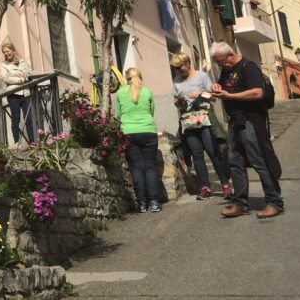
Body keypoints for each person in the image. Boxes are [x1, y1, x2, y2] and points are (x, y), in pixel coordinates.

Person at [208, 42, 284, 219]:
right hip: (235, 122)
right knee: (235, 162)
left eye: (221, 62)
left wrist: (230, 96)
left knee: (259, 161)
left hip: (251, 121)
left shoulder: (248, 67)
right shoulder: (227, 70)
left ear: (231, 55)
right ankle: (240, 203)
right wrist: (216, 88)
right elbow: (222, 90)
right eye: (218, 63)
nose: (220, 66)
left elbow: (257, 93)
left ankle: (274, 202)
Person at [170, 52, 232, 200]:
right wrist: (179, 102)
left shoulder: (201, 76)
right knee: (197, 155)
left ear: (187, 63)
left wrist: (201, 93)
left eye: (180, 67)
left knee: (213, 152)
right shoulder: (177, 80)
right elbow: (175, 102)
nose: (178, 70)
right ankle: (204, 187)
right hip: (188, 121)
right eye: (176, 68)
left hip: (204, 119)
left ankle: (225, 184)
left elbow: (214, 97)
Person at [116, 67, 161, 212]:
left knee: (137, 167)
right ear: (140, 77)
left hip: (129, 132)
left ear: (126, 78)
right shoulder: (147, 92)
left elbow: (118, 114)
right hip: (148, 130)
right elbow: (151, 111)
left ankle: (141, 203)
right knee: (149, 166)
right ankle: (154, 202)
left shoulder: (120, 93)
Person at [0, 41, 35, 144]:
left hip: (26, 93)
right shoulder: (4, 65)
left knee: (29, 118)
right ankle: (17, 143)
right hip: (13, 94)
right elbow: (6, 78)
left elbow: (30, 73)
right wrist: (21, 79)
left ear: (13, 51)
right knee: (16, 119)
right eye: (4, 52)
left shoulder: (23, 62)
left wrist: (20, 76)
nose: (5, 53)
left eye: (7, 51)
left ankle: (32, 142)